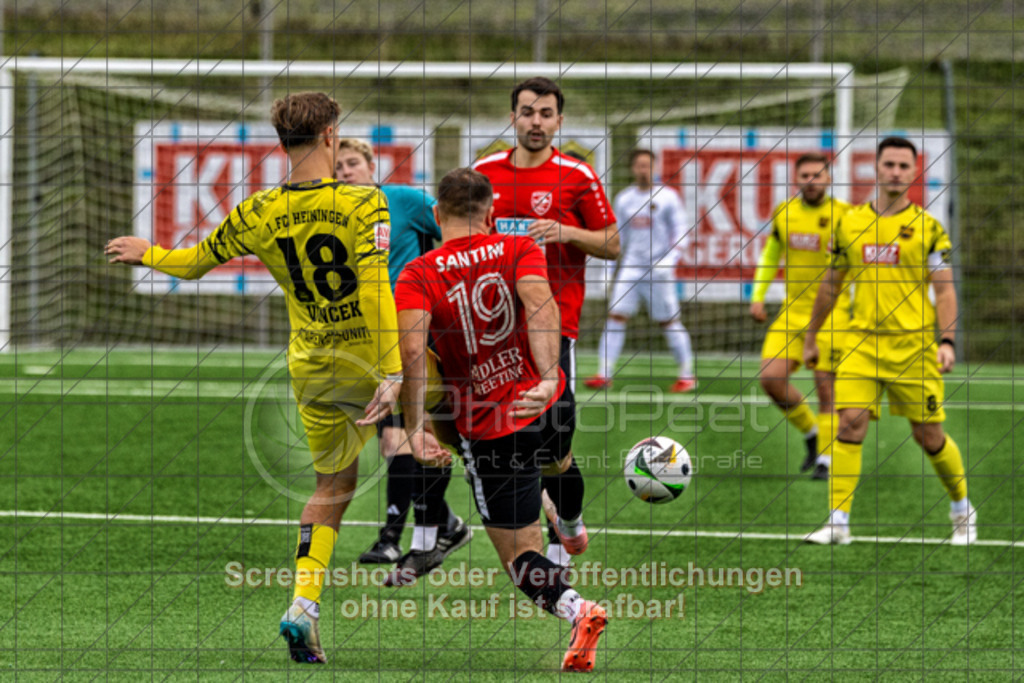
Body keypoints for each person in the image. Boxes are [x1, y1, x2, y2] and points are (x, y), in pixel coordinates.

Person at [107, 92, 402, 664]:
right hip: (371, 358)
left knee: (332, 488)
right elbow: (374, 288)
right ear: (329, 138)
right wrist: (392, 370)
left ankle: (304, 606)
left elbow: (192, 264)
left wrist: (151, 254)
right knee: (467, 430)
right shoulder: (365, 202)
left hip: (313, 366)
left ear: (281, 142)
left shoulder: (256, 212)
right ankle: (546, 544)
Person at [395, 167, 608, 672]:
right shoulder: (519, 250)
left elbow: (411, 354)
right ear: (490, 213)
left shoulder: (419, 274)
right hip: (546, 396)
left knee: (520, 558)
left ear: (435, 215)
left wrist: (413, 429)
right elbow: (541, 306)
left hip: (494, 425)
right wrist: (550, 377)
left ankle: (581, 610)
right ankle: (572, 528)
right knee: (559, 464)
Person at [473, 76, 620, 566]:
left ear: (560, 120)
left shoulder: (577, 176)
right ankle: (538, 543)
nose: (536, 122)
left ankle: (569, 521)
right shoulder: (483, 173)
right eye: (527, 112)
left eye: (546, 113)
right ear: (512, 116)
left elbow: (612, 244)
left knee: (556, 438)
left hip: (554, 325)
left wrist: (566, 231)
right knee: (507, 437)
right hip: (494, 327)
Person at [803, 137, 976, 546]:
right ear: (876, 169)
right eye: (889, 165)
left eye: (903, 165)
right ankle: (838, 523)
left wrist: (947, 340)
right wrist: (812, 338)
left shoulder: (930, 229)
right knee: (849, 422)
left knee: (928, 435)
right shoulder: (849, 224)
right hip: (860, 343)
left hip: (913, 348)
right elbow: (830, 284)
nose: (895, 172)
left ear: (914, 172)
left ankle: (961, 509)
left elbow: (946, 291)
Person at [335, 138, 472, 567]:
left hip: (415, 334)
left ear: (371, 166)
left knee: (403, 439)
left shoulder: (403, 201)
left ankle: (392, 538)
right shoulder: (335, 216)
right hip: (367, 339)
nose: (344, 171)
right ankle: (447, 525)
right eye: (336, 165)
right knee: (394, 442)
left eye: (352, 163)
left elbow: (453, 235)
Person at [749, 153, 852, 480]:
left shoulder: (845, 216)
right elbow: (771, 255)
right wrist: (758, 295)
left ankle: (826, 459)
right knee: (771, 380)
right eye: (804, 175)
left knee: (826, 389)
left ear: (828, 178)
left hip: (832, 314)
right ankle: (811, 434)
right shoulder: (784, 212)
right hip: (792, 312)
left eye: (817, 175)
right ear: (796, 179)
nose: (811, 180)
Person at [585, 148, 696, 392]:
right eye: (639, 166)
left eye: (647, 165)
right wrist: (608, 269)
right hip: (631, 269)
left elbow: (681, 233)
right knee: (615, 316)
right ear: (633, 169)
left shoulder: (668, 197)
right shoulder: (624, 199)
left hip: (659, 270)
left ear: (655, 167)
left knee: (669, 321)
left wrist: (671, 259)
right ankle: (604, 374)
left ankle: (687, 375)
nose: (643, 170)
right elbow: (617, 238)